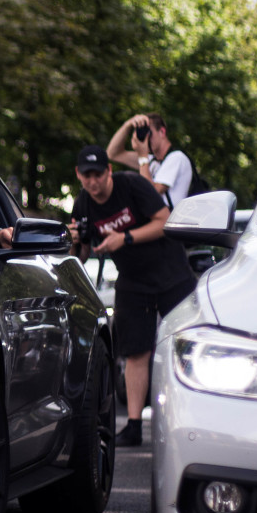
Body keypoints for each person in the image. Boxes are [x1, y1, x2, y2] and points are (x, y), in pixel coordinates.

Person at [69, 144, 195, 446]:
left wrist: (123, 237)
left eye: (98, 173)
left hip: (170, 272)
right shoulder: (83, 204)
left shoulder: (132, 185)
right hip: (133, 281)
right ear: (78, 175)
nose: (93, 181)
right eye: (87, 175)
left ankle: (194, 416)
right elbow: (82, 254)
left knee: (187, 343)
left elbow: (165, 221)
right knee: (135, 352)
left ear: (108, 171)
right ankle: (135, 425)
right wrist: (74, 242)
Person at [105, 113, 193, 208]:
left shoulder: (177, 158)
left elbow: (150, 193)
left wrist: (143, 156)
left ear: (162, 132)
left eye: (149, 133)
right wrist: (128, 125)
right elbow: (113, 154)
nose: (147, 139)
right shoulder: (151, 161)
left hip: (173, 221)